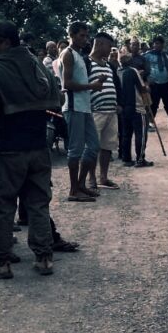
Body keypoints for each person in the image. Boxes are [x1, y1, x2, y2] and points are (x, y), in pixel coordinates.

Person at [0, 21, 60, 278]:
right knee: (38, 204)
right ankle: (44, 258)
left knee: (2, 206)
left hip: (8, 149)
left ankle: (0, 263)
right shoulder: (36, 64)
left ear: (4, 42)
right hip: (38, 145)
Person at [60, 21, 104, 202]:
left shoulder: (79, 55)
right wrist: (92, 85)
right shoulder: (68, 54)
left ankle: (80, 185)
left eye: (86, 36)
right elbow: (67, 84)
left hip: (84, 107)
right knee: (75, 150)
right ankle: (73, 190)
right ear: (71, 34)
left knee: (93, 146)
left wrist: (94, 86)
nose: (85, 39)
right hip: (74, 107)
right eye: (81, 36)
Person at [87, 32, 121, 190]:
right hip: (95, 112)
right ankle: (91, 178)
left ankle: (103, 177)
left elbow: (115, 86)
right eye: (109, 46)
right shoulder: (86, 63)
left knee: (107, 146)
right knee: (92, 147)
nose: (110, 50)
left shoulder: (108, 65)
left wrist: (118, 103)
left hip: (111, 112)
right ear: (100, 44)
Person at [118, 52, 153, 167]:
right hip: (137, 107)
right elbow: (142, 88)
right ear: (130, 61)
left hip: (123, 108)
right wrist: (147, 88)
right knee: (141, 134)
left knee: (126, 134)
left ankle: (126, 159)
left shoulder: (118, 71)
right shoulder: (133, 71)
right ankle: (140, 159)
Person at [143, 37, 168, 128]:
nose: (156, 45)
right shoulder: (147, 56)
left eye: (158, 43)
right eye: (155, 43)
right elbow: (144, 69)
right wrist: (147, 81)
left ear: (162, 45)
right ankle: (151, 122)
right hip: (154, 84)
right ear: (153, 45)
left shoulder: (166, 55)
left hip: (166, 82)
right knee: (153, 104)